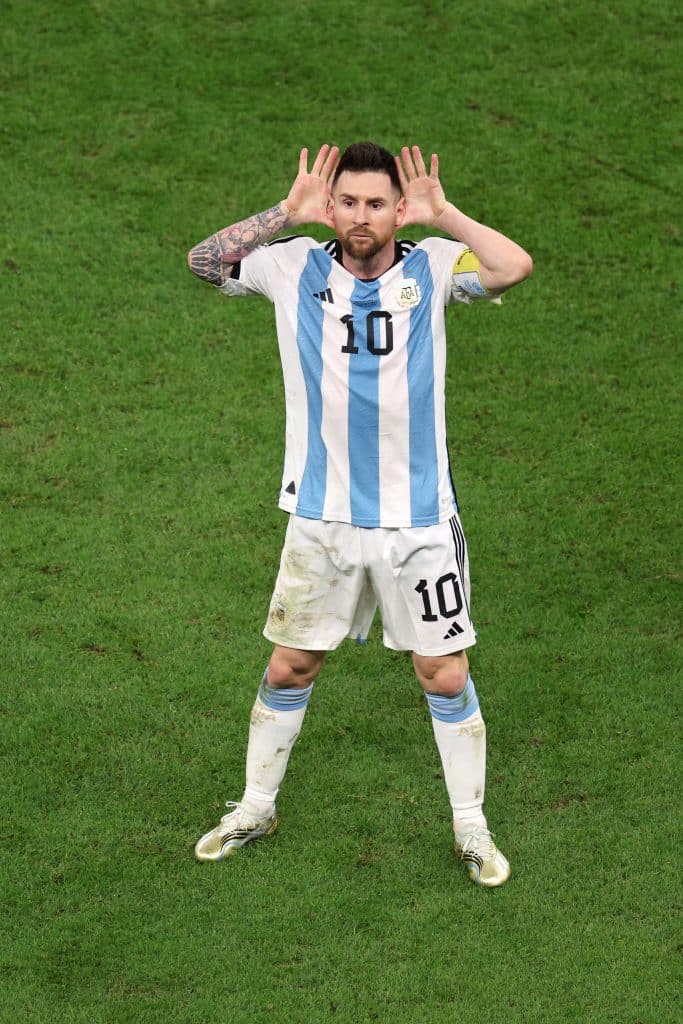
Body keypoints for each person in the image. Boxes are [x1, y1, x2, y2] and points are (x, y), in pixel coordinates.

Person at [187, 142, 532, 886]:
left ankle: (470, 827)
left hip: (416, 523)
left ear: (398, 208)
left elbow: (512, 267)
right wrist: (287, 212)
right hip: (322, 518)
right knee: (291, 662)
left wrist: (449, 216)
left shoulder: (435, 265)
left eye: (377, 203)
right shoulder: (291, 264)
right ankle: (254, 805)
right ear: (332, 205)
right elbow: (205, 264)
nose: (360, 217)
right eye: (348, 202)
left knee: (441, 674)